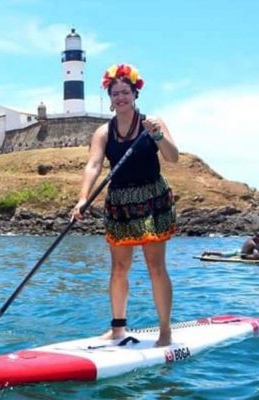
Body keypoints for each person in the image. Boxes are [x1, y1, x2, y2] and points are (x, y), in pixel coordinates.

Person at [72, 64, 179, 347]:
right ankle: (118, 328)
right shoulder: (103, 133)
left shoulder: (152, 122)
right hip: (119, 203)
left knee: (156, 266)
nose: (121, 97)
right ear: (109, 98)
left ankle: (165, 330)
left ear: (135, 94)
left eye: (125, 92)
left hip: (152, 199)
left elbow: (173, 157)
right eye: (115, 93)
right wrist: (83, 198)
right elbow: (93, 165)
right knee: (119, 268)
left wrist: (157, 135)